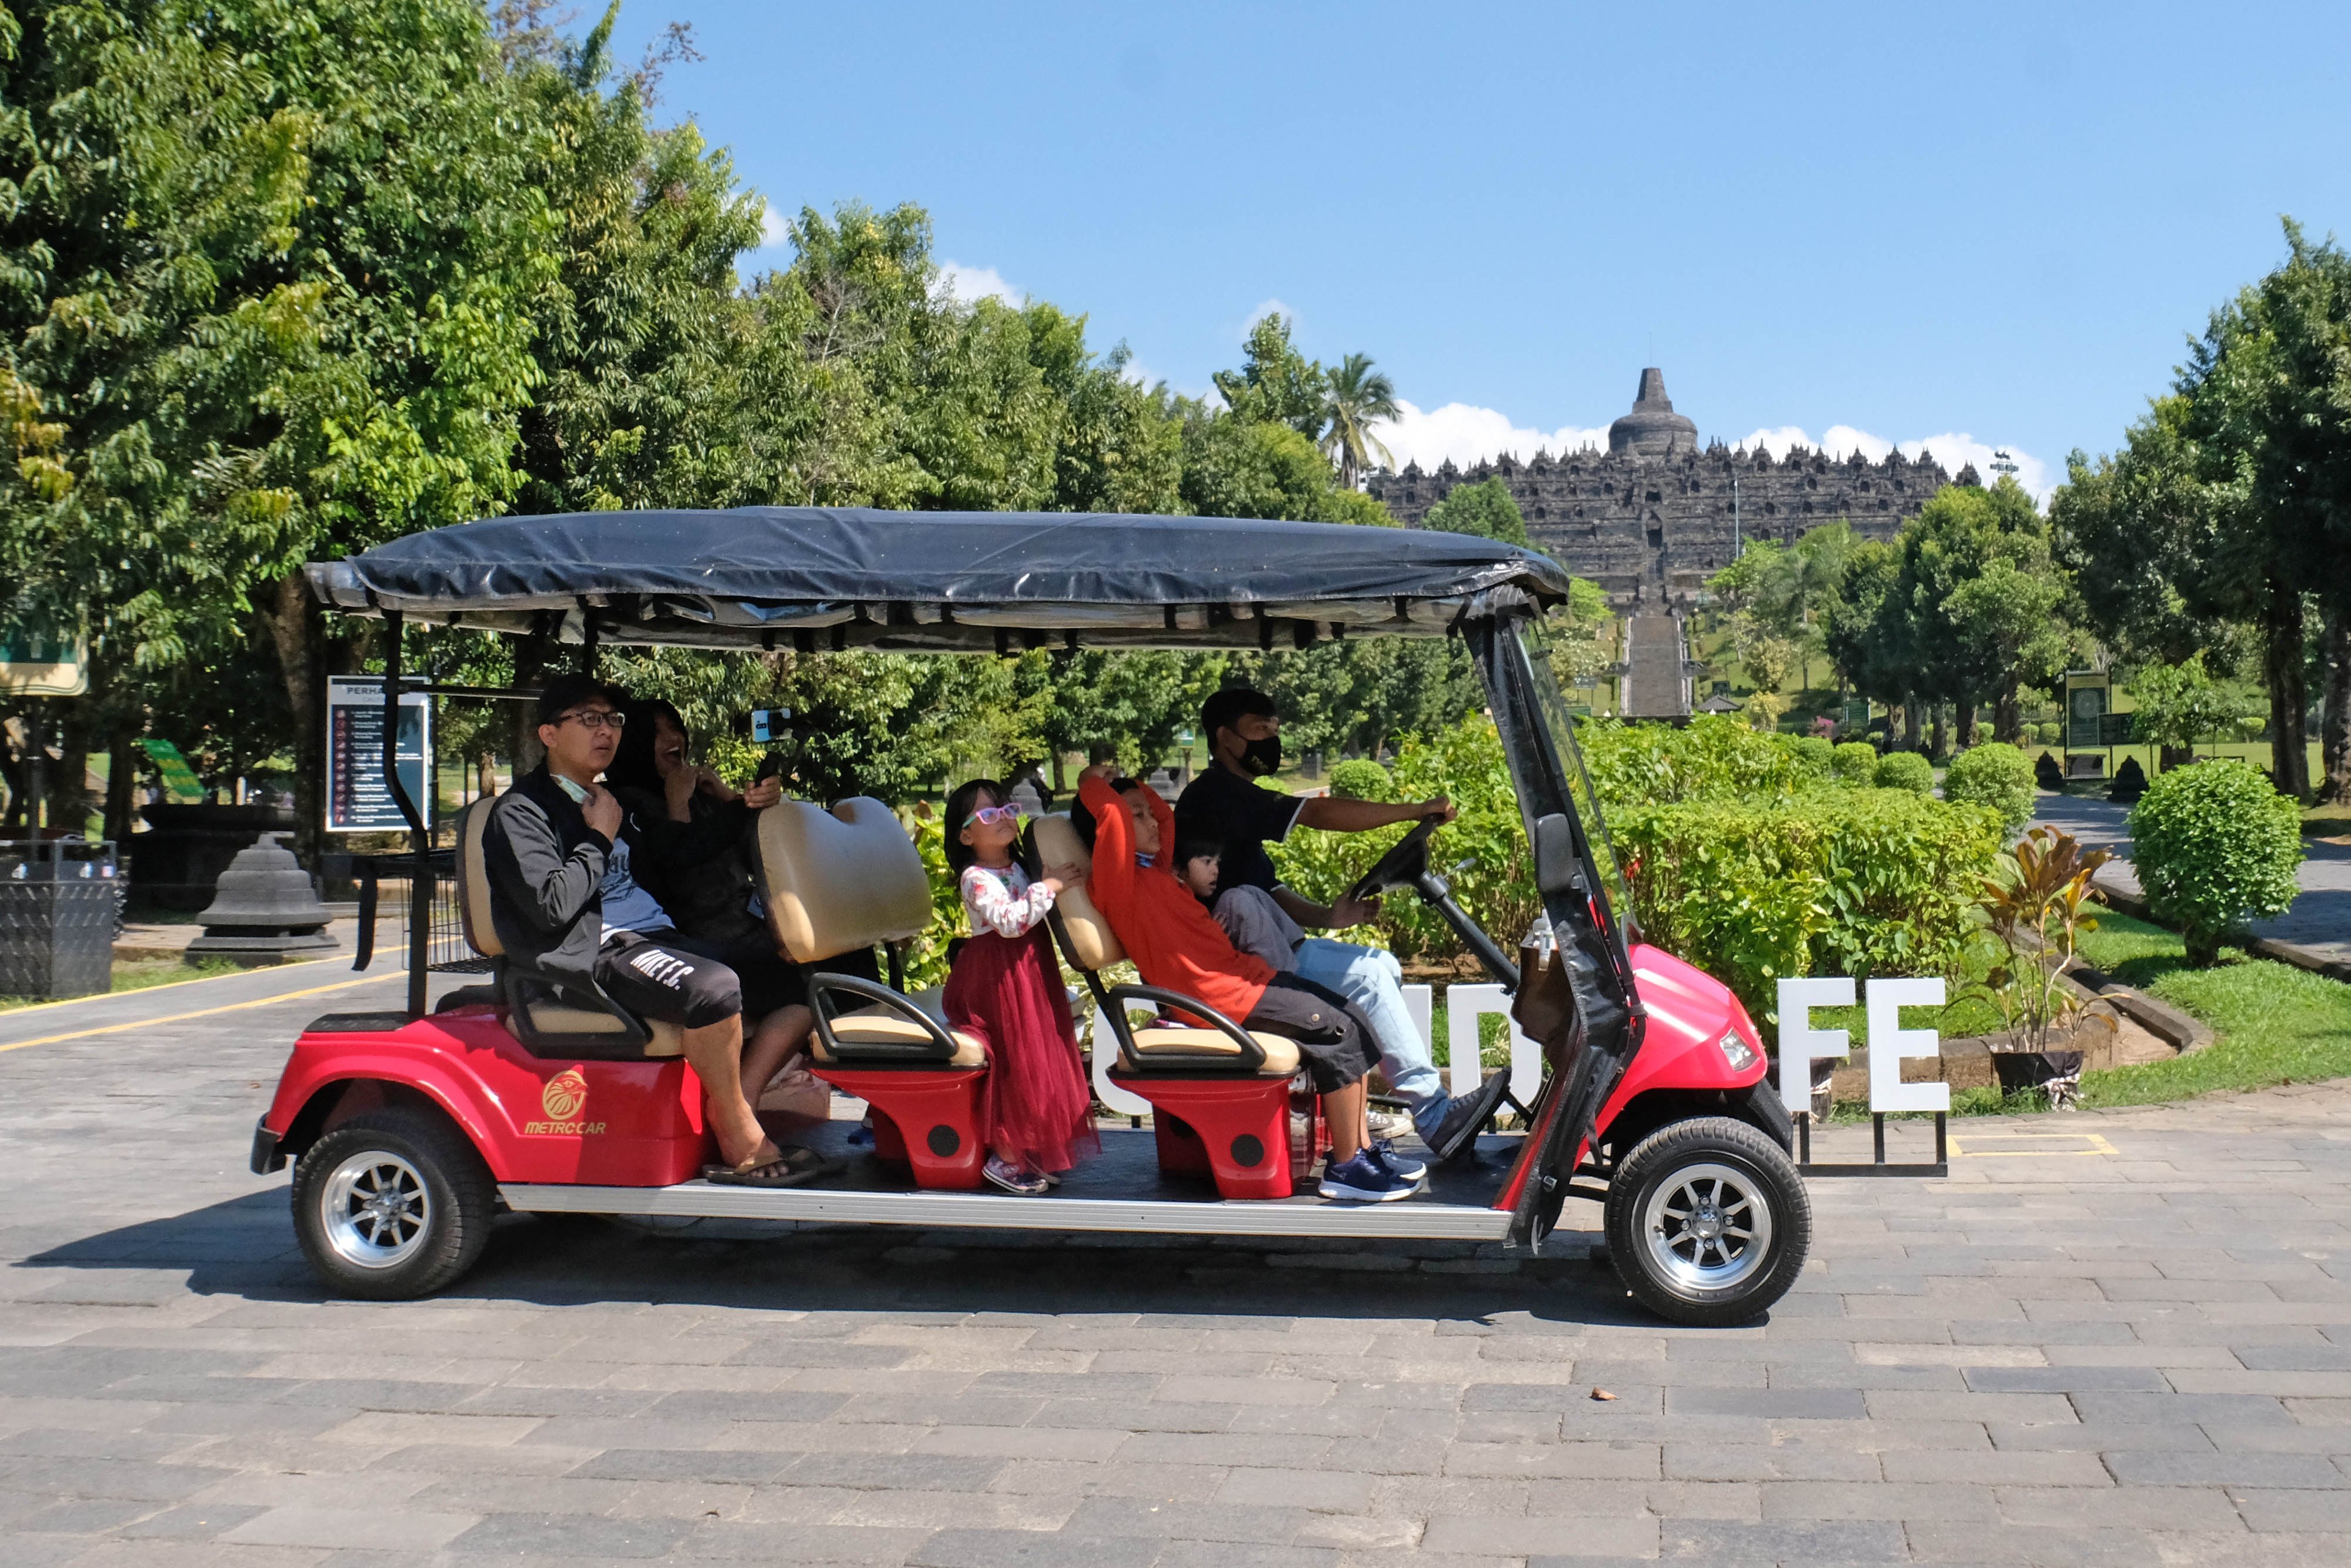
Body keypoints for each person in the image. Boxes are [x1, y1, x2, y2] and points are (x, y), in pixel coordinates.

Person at [480, 674, 825, 1188]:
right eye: (589, 719)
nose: (607, 732)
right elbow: (550, 907)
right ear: (549, 734)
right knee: (715, 989)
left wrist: (741, 805)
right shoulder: (523, 811)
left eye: (613, 720)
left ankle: (739, 1104)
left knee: (797, 983)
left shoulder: (611, 799)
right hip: (595, 954)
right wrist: (599, 837)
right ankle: (735, 1129)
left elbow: (674, 854)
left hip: (656, 939)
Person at [1175, 687, 1511, 1162]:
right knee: (1369, 976)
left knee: (1383, 966)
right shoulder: (1215, 794)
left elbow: (1270, 894)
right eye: (1258, 731)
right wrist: (1413, 811)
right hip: (1233, 969)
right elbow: (1316, 813)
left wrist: (1329, 917)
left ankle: (1358, 1102)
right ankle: (1435, 1117)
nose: (1271, 740)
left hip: (1261, 945)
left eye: (1275, 730)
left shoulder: (1235, 804)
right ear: (1225, 738)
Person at [1077, 764, 1423, 1203]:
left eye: (1145, 813)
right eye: (1136, 816)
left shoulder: (1157, 870)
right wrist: (1093, 780)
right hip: (1219, 1000)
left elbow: (1166, 815)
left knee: (1352, 1015)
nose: (1151, 821)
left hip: (1243, 983)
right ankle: (1347, 1165)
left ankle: (1362, 1153)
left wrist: (1131, 784)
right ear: (1111, 829)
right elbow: (1109, 812)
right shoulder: (1118, 881)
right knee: (1338, 1029)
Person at [603, 697, 818, 1104]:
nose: (673, 739)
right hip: (696, 930)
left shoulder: (694, 792)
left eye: (676, 727)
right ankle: (744, 1101)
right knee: (806, 980)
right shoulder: (629, 803)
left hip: (747, 917)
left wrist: (733, 797)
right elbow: (677, 864)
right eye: (657, 732)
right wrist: (678, 802)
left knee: (848, 957)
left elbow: (750, 848)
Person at [942, 779, 1097, 1196]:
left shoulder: (1020, 867)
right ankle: (1005, 1155)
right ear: (966, 835)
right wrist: (1048, 887)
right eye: (988, 815)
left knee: (1037, 1053)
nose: (1004, 818)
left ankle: (1028, 1148)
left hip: (1029, 969)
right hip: (996, 974)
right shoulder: (975, 878)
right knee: (1013, 1058)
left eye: (1008, 809)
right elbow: (1009, 922)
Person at [1176, 831, 1304, 975]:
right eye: (1207, 862)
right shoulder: (1175, 901)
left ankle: (1298, 949)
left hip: (1222, 949)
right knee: (1235, 899)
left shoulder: (1194, 899)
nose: (1215, 871)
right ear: (1178, 869)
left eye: (1217, 863)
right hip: (1216, 967)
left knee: (1249, 891)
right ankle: (1287, 973)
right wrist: (1212, 936)